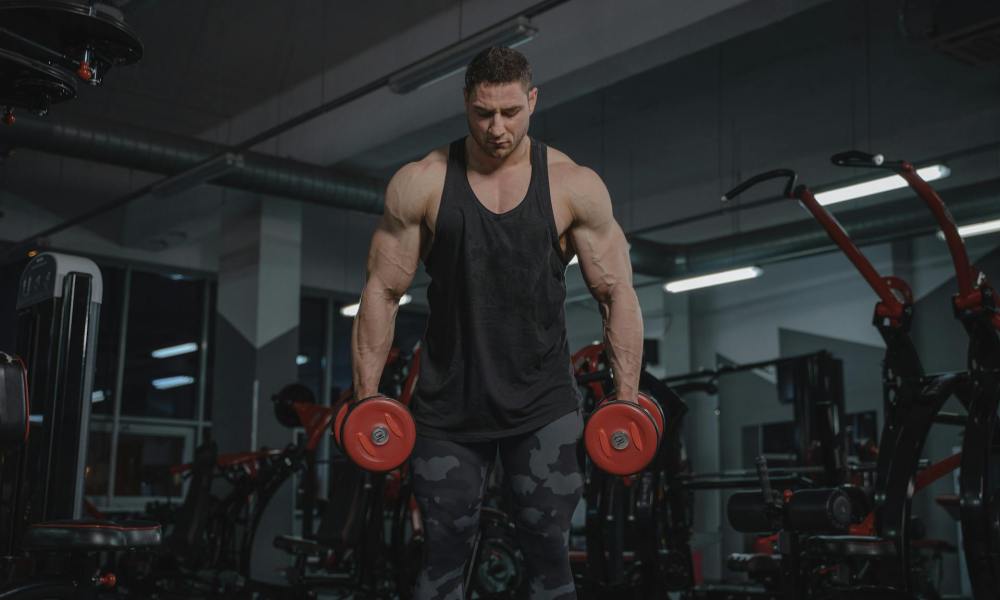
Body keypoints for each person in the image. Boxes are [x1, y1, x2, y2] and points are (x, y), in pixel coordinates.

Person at [351, 46, 643, 600]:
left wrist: (625, 397)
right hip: (447, 409)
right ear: (466, 103)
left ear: (532, 101)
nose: (496, 127)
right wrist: (368, 398)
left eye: (510, 111)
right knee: (441, 558)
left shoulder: (572, 184)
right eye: (484, 112)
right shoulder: (422, 182)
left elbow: (616, 292)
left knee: (549, 556)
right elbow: (382, 291)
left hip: (543, 406)